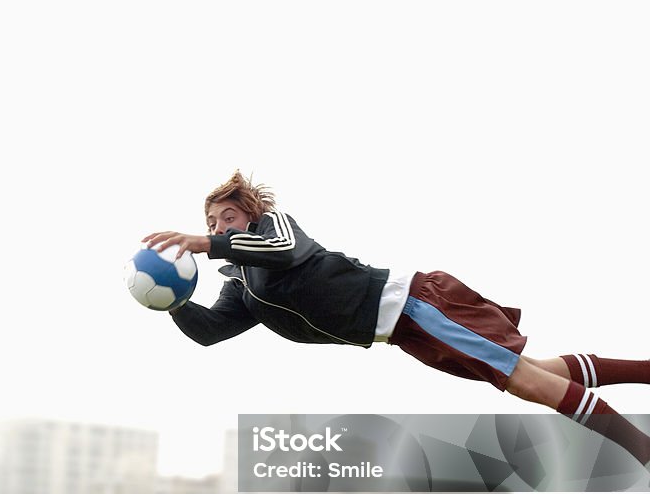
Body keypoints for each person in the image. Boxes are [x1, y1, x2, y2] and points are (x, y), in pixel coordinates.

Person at [142, 171, 650, 465]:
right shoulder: (245, 286)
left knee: (523, 383)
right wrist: (174, 301)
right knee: (535, 370)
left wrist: (206, 244)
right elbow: (211, 333)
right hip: (402, 333)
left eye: (227, 218)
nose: (216, 227)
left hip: (415, 304)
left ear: (249, 215)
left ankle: (641, 449)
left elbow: (283, 250)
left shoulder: (277, 229)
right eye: (209, 222)